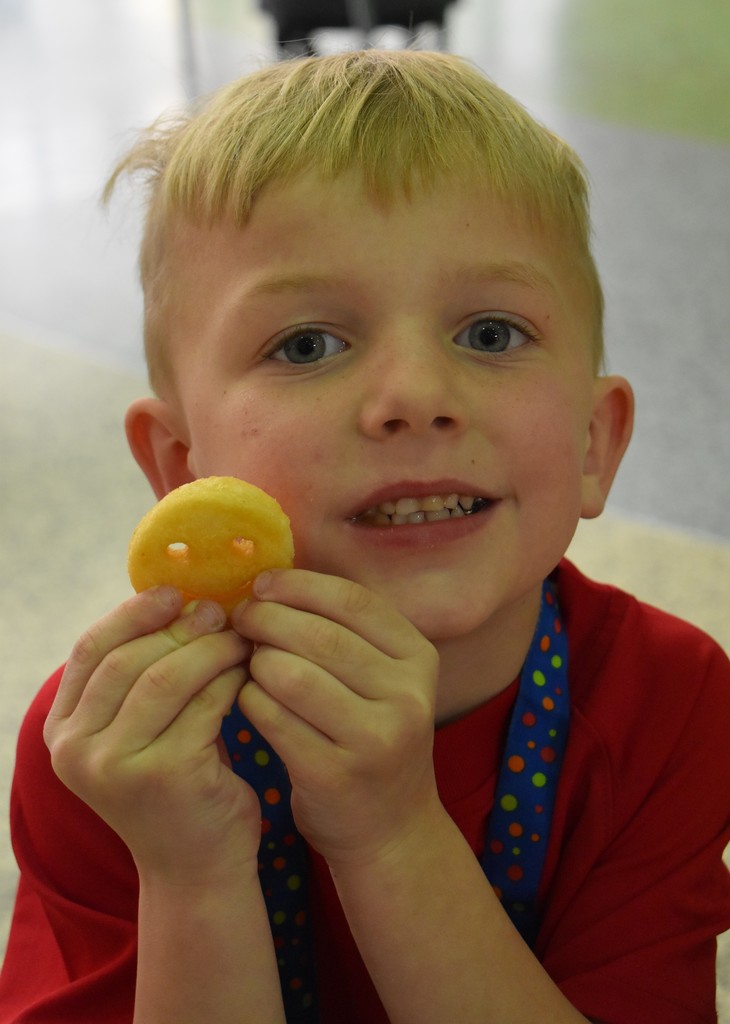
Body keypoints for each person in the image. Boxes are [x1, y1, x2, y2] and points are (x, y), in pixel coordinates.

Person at [1, 49, 729, 1024]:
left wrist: (391, 836)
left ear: (593, 444)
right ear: (182, 470)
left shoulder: (670, 704)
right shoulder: (111, 750)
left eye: (490, 333)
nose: (415, 398)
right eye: (306, 344)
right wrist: (188, 874)